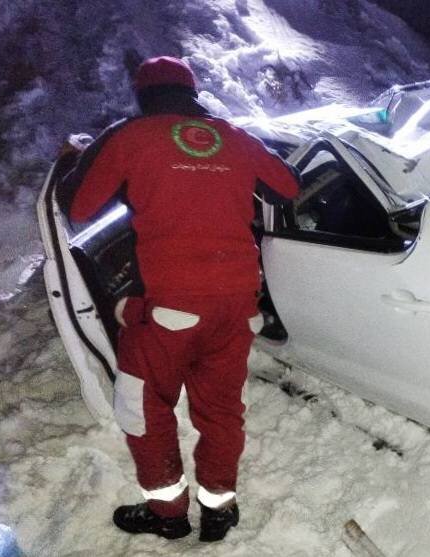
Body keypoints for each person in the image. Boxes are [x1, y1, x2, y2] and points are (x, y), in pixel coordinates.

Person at [63, 56, 300, 542]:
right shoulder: (233, 135)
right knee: (220, 412)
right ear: (191, 94)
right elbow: (287, 188)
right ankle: (218, 509)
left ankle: (168, 513)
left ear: (143, 96)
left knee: (143, 407)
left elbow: (77, 207)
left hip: (169, 306)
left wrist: (78, 159)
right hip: (237, 304)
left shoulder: (130, 136)